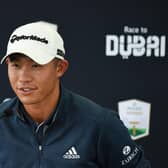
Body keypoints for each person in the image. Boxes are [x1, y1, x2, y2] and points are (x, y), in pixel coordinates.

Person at [0, 21, 151, 167]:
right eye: (16, 65)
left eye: (36, 65)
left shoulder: (99, 124)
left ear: (60, 68)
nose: (23, 78)